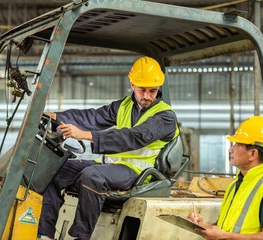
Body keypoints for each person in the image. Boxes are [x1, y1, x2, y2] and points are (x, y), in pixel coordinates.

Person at [38, 56, 180, 240]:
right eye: (142, 90)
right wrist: (57, 116)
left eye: (152, 91)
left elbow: (132, 137)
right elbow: (93, 117)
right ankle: (45, 234)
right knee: (56, 169)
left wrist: (84, 135)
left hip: (138, 172)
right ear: (132, 84)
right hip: (112, 166)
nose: (147, 96)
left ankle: (81, 237)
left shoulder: (165, 117)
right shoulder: (124, 106)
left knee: (92, 176)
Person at [188, 116, 263, 240]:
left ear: (253, 154)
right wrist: (202, 226)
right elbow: (226, 229)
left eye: (237, 144)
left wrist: (225, 236)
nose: (231, 149)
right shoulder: (236, 185)